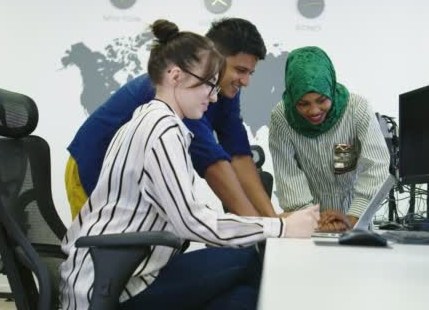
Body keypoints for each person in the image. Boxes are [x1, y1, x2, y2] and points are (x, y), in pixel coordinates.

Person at [59, 19, 319, 310]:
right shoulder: (164, 126)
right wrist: (274, 229)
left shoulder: (171, 110)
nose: (214, 95)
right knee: (246, 263)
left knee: (242, 295)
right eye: (210, 84)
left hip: (137, 267)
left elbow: (237, 153)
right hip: (110, 275)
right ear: (177, 75)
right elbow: (209, 179)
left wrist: (273, 222)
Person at [65, 18, 276, 220]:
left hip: (135, 178)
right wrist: (258, 224)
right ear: (216, 58)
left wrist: (271, 218)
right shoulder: (182, 89)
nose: (246, 81)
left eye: (251, 73)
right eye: (240, 70)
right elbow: (212, 163)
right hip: (93, 163)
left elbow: (238, 153)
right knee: (103, 248)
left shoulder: (224, 89)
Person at [269, 46, 390, 232]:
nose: (314, 111)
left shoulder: (356, 109)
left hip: (356, 219)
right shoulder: (282, 117)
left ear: (331, 89)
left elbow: (377, 166)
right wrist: (315, 223)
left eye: (322, 100)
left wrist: (353, 218)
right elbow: (289, 176)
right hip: (311, 223)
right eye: (303, 104)